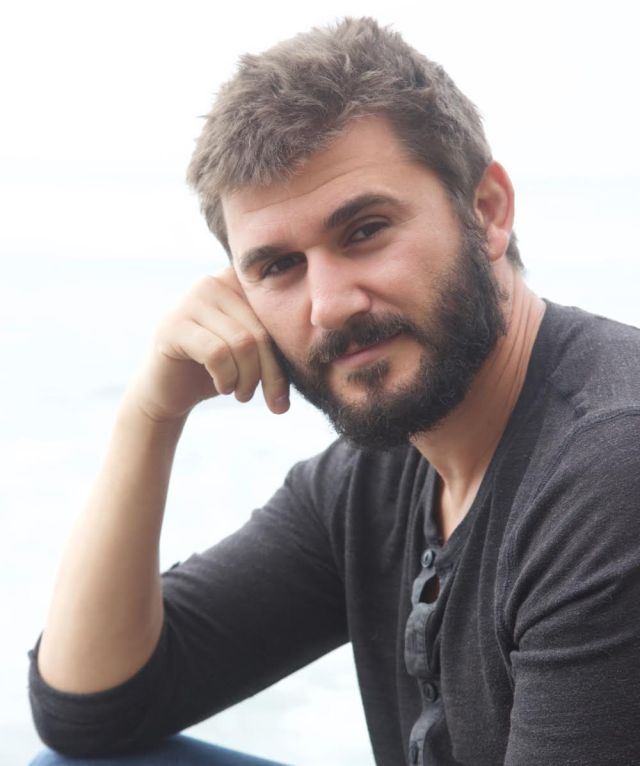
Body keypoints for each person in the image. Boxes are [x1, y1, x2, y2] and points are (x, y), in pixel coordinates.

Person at [28, 16, 640, 766]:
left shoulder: (611, 468)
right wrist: (151, 414)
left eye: (365, 231)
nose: (329, 306)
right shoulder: (376, 476)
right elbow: (90, 712)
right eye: (278, 266)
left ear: (486, 211)